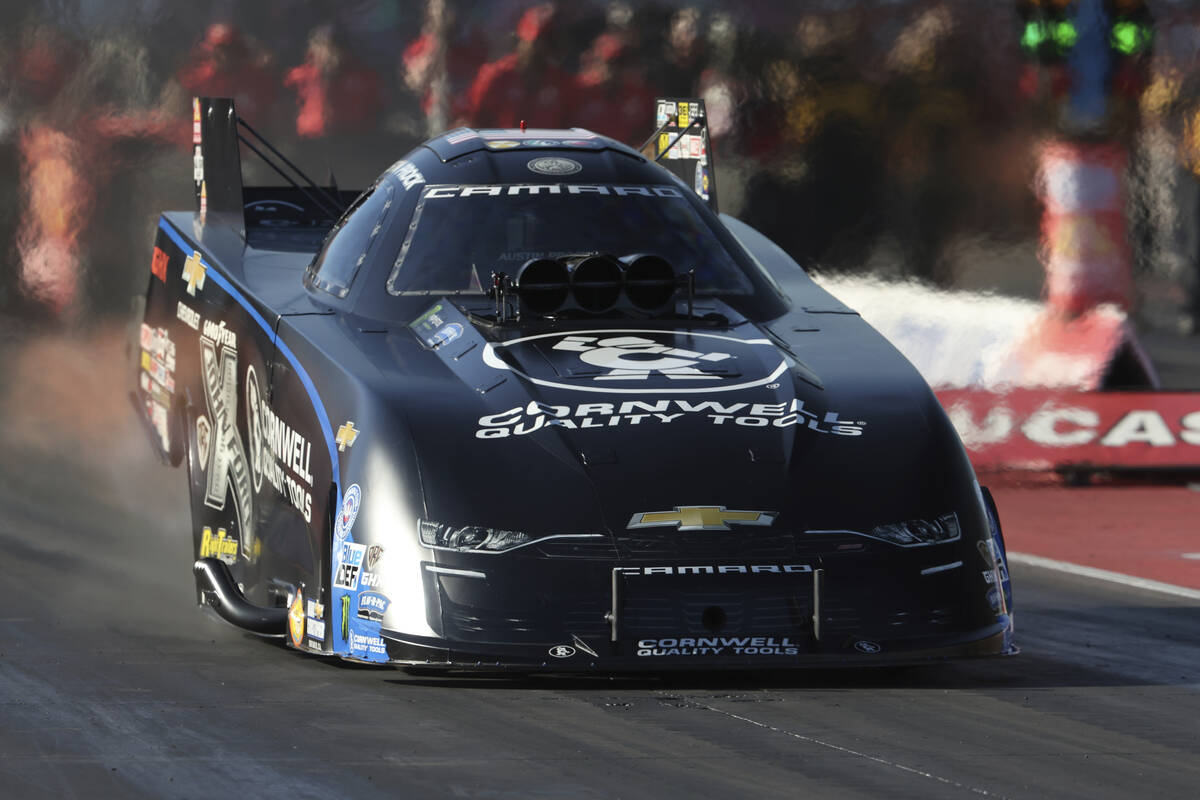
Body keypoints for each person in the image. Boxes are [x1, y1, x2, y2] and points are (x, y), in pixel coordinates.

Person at [460, 4, 574, 130]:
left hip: (546, 147)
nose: (540, 50)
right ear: (522, 41)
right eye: (535, 43)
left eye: (547, 44)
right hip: (503, 147)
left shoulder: (562, 84)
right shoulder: (497, 76)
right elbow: (471, 119)